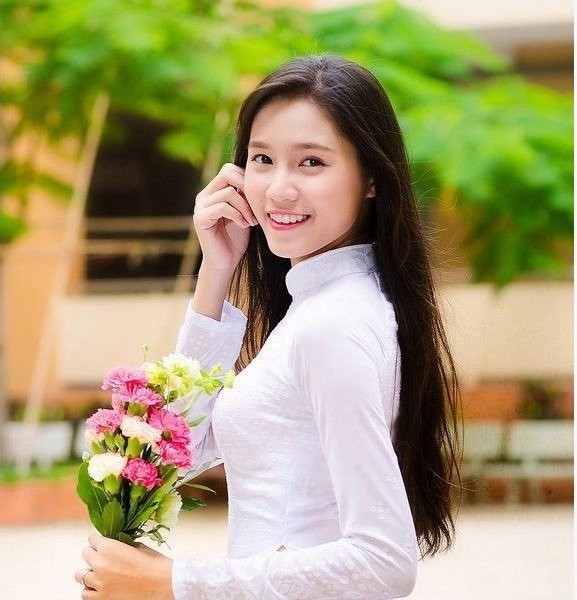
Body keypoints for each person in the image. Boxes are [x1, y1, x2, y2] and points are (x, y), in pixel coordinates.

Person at [75, 54, 461, 600]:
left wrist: (174, 583)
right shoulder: (320, 307)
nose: (278, 189)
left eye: (311, 163)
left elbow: (383, 562)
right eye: (262, 158)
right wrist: (217, 272)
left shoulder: (332, 325)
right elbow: (183, 445)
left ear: (371, 177)